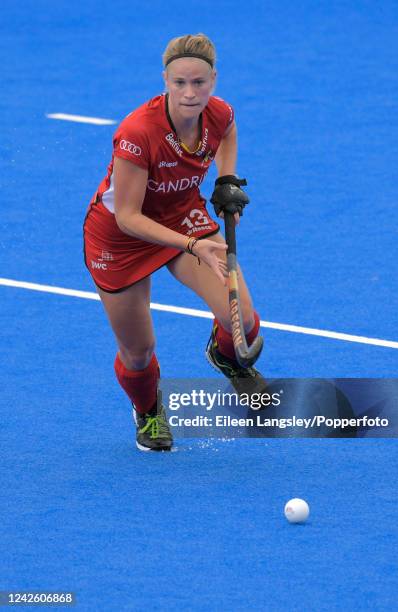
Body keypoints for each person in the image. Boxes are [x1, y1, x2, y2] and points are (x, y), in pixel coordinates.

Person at [83, 33, 265, 452]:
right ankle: (148, 413)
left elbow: (229, 132)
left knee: (244, 319)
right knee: (139, 352)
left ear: (214, 80)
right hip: (120, 239)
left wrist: (226, 180)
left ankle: (223, 356)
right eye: (179, 82)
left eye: (199, 83)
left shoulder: (218, 114)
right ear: (164, 79)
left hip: (183, 214)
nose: (189, 93)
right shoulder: (138, 132)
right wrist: (192, 245)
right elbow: (128, 217)